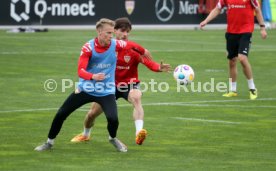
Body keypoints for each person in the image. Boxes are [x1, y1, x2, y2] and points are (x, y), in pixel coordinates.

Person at [34, 18, 152, 152]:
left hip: (106, 91)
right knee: (61, 113)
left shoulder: (115, 44)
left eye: (112, 33)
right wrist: (93, 76)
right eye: (108, 33)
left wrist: (143, 51)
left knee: (113, 119)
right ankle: (49, 143)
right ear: (99, 32)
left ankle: (113, 138)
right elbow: (80, 71)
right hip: (86, 88)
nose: (111, 36)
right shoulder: (88, 48)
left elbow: (131, 45)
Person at [70, 17, 171, 145]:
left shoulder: (132, 50)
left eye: (127, 32)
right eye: (122, 31)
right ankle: (85, 134)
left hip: (128, 84)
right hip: (108, 86)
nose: (125, 34)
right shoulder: (107, 47)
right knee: (92, 114)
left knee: (136, 97)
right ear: (114, 31)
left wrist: (158, 67)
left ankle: (139, 133)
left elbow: (148, 63)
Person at [199, 0, 267, 100]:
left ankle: (252, 88)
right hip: (231, 32)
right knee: (232, 61)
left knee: (242, 58)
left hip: (246, 31)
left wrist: (262, 28)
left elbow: (257, 10)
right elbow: (217, 8)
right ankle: (232, 90)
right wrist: (206, 21)